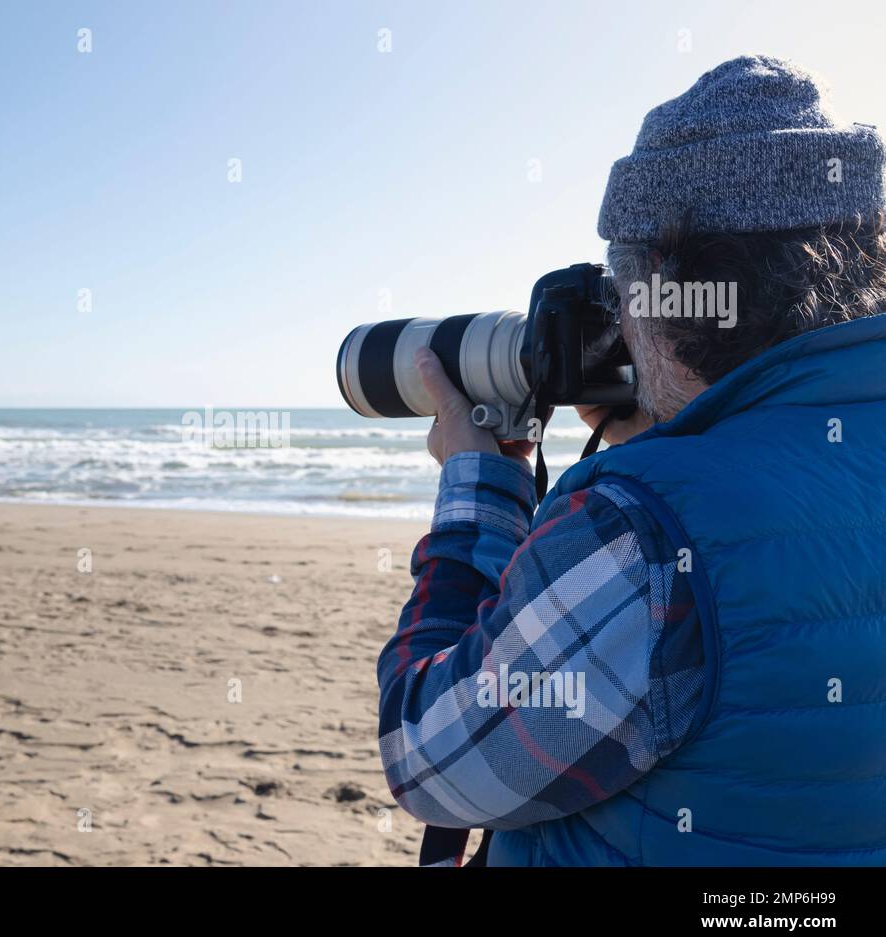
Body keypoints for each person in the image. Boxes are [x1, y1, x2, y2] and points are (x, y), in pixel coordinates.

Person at [377, 54, 886, 866]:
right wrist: (674, 437)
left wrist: (477, 492)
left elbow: (433, 760)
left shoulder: (640, 535)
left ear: (663, 298)